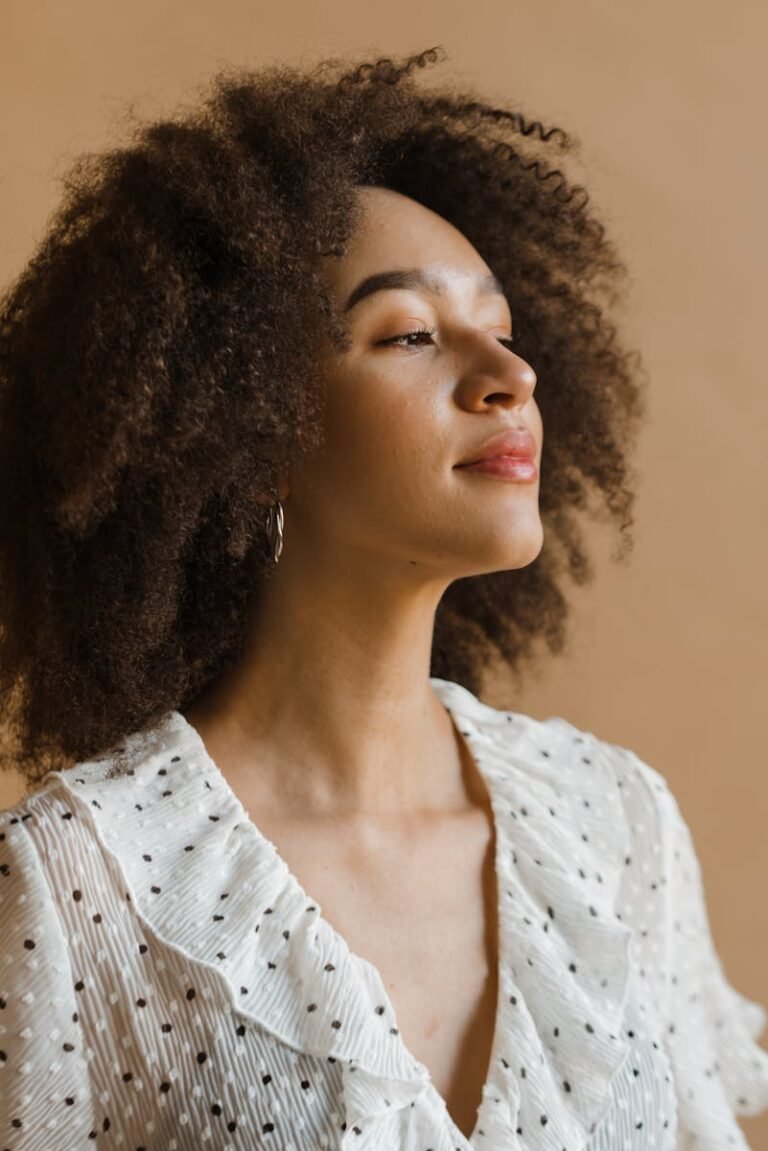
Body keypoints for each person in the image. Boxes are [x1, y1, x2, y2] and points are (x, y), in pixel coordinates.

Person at [0, 44, 766, 1151]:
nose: (511, 374)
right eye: (409, 332)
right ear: (249, 425)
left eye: (502, 328)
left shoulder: (614, 824)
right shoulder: (77, 887)